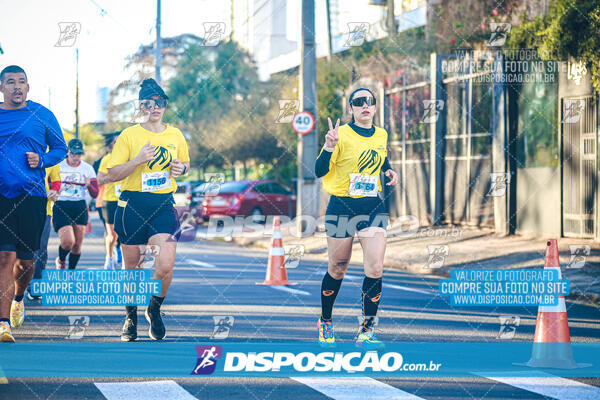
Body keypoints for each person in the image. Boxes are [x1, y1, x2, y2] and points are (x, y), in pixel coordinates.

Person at [314, 87, 398, 350]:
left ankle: (367, 329)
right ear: (350, 108)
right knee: (338, 266)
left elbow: (378, 157)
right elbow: (319, 171)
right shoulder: (342, 135)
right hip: (341, 206)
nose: (365, 106)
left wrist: (389, 169)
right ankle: (325, 320)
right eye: (358, 102)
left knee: (375, 268)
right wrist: (328, 146)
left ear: (374, 107)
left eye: (369, 102)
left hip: (373, 207)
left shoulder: (382, 134)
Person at [106, 78, 190, 341]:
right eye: (149, 103)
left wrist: (182, 169)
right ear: (141, 106)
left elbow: (185, 163)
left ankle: (153, 309)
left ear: (164, 105)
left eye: (160, 102)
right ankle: (130, 316)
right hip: (133, 205)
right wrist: (138, 160)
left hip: (163, 204)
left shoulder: (175, 134)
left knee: (165, 264)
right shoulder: (129, 135)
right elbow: (113, 174)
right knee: (133, 265)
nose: (155, 107)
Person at [0, 65, 67, 342]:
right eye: (11, 82)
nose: (17, 86)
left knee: (25, 262)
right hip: (2, 197)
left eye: (22, 82)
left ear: (28, 87)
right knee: (5, 257)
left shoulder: (42, 114)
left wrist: (42, 161)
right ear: (2, 87)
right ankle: (3, 323)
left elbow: (60, 148)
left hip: (33, 197)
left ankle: (18, 297)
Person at [53, 139, 98, 269]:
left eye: (78, 154)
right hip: (61, 206)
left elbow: (95, 193)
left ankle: (71, 273)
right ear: (68, 152)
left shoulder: (87, 168)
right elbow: (49, 184)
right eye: (73, 154)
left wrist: (89, 185)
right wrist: (54, 189)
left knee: (77, 246)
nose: (76, 157)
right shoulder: (58, 166)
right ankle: (61, 260)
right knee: (68, 242)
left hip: (79, 206)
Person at [27, 163, 61, 300]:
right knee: (13, 251)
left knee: (40, 250)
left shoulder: (51, 154)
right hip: (16, 207)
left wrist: (55, 191)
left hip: (43, 209)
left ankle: (35, 286)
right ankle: (12, 289)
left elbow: (56, 181)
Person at [97, 134, 124, 269]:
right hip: (110, 200)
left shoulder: (130, 158)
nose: (117, 144)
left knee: (126, 233)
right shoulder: (107, 159)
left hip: (126, 200)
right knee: (112, 235)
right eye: (115, 141)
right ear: (111, 145)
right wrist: (112, 176)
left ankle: (126, 262)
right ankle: (109, 258)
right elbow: (99, 180)